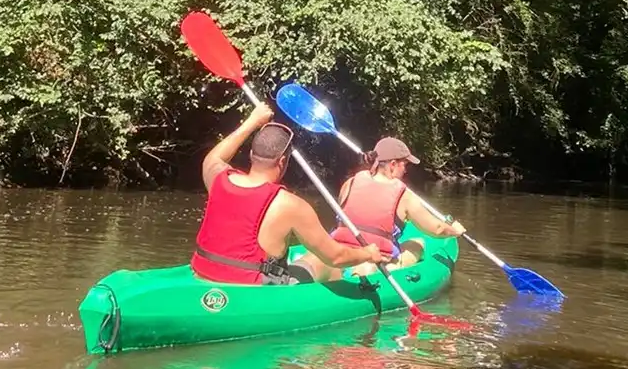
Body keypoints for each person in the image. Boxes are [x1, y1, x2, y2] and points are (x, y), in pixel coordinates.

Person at [191, 101, 391, 285]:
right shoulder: (290, 205)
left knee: (308, 259)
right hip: (252, 291)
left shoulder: (218, 178)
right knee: (324, 264)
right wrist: (368, 254)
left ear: (251, 155)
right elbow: (336, 257)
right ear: (282, 162)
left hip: (203, 275)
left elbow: (214, 157)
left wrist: (253, 121)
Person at [324, 136, 465, 276]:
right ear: (392, 165)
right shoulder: (405, 196)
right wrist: (454, 231)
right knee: (418, 244)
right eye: (404, 164)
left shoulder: (350, 183)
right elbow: (437, 229)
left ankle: (348, 270)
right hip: (375, 256)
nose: (405, 170)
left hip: (341, 251)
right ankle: (383, 272)